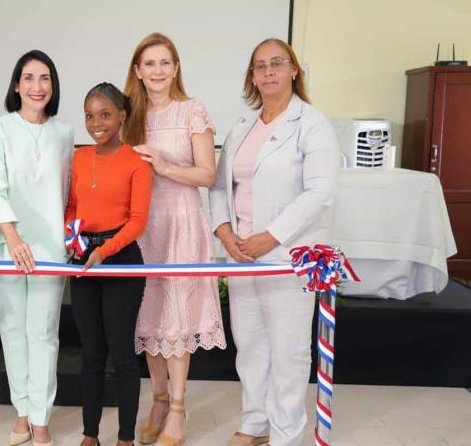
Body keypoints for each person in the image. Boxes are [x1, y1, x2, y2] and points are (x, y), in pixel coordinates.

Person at [209, 38, 339, 446]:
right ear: (252, 76)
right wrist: (226, 232)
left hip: (287, 256)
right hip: (241, 254)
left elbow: (320, 192)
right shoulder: (242, 128)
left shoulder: (313, 123)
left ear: (294, 70)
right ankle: (254, 423)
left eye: (277, 64)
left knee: (289, 351)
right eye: (259, 66)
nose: (268, 72)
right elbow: (218, 189)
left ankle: (286, 432)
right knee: (249, 346)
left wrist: (272, 237)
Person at [122, 32, 226, 446]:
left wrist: (164, 167)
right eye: (150, 64)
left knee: (178, 320)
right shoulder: (130, 114)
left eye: (165, 63)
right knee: (150, 318)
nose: (158, 71)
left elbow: (208, 175)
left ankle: (179, 409)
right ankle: (159, 401)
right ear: (137, 71)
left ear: (176, 68)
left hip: (182, 222)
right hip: (143, 226)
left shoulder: (192, 111)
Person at [0, 50, 74, 446]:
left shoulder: (65, 133)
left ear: (53, 85)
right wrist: (14, 240)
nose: (37, 86)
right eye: (29, 78)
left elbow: (66, 194)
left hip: (50, 248)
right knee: (13, 330)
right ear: (16, 85)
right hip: (5, 246)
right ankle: (21, 413)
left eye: (45, 78)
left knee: (44, 333)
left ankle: (41, 417)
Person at [65, 83, 152, 446]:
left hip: (122, 263)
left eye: (104, 114)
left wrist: (105, 251)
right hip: (85, 262)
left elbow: (137, 220)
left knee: (122, 354)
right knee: (91, 354)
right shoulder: (80, 158)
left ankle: (126, 438)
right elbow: (72, 207)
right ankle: (90, 435)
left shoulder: (137, 162)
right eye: (89, 115)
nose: (96, 123)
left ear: (122, 116)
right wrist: (73, 239)